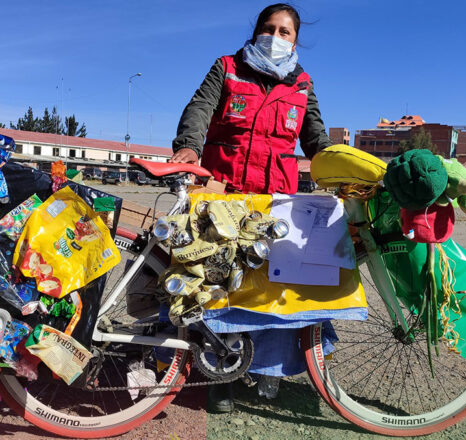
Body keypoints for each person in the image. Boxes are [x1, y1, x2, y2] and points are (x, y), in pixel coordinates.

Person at [170, 3, 333, 412]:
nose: (276, 37)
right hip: (223, 196)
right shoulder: (227, 67)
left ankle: (267, 371)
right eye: (270, 28)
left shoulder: (303, 85)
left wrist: (340, 168)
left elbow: (316, 140)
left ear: (295, 40)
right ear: (257, 30)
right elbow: (199, 110)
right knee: (218, 286)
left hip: (275, 204)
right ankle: (217, 374)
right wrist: (189, 148)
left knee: (272, 289)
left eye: (285, 32)